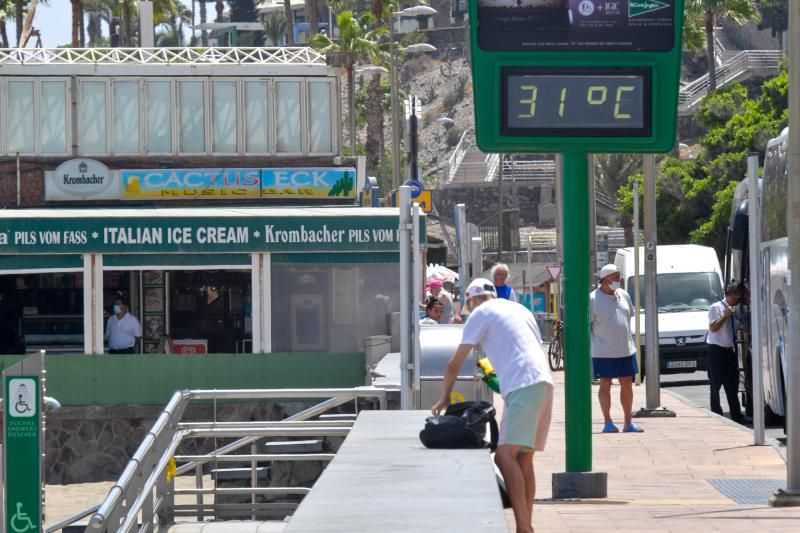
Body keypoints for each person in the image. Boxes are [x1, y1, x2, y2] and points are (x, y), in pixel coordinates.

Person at [432, 278, 553, 533]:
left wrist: (444, 397)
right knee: (524, 458)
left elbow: (455, 363)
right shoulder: (518, 309)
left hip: (522, 385)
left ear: (471, 299)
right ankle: (526, 524)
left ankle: (523, 528)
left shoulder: (481, 313)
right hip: (544, 383)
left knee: (503, 456)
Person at [590, 264, 644, 433]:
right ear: (606, 279)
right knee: (605, 383)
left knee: (627, 383)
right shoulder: (592, 299)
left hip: (626, 349)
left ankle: (628, 422)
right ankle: (608, 422)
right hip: (603, 351)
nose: (619, 280)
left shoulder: (624, 295)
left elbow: (629, 317)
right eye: (616, 277)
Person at [707, 282, 745, 422]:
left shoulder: (735, 309)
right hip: (716, 350)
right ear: (730, 295)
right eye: (736, 297)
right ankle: (716, 413)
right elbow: (713, 328)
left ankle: (736, 414)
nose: (737, 300)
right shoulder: (716, 308)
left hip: (730, 350)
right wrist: (725, 315)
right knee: (715, 383)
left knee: (732, 383)